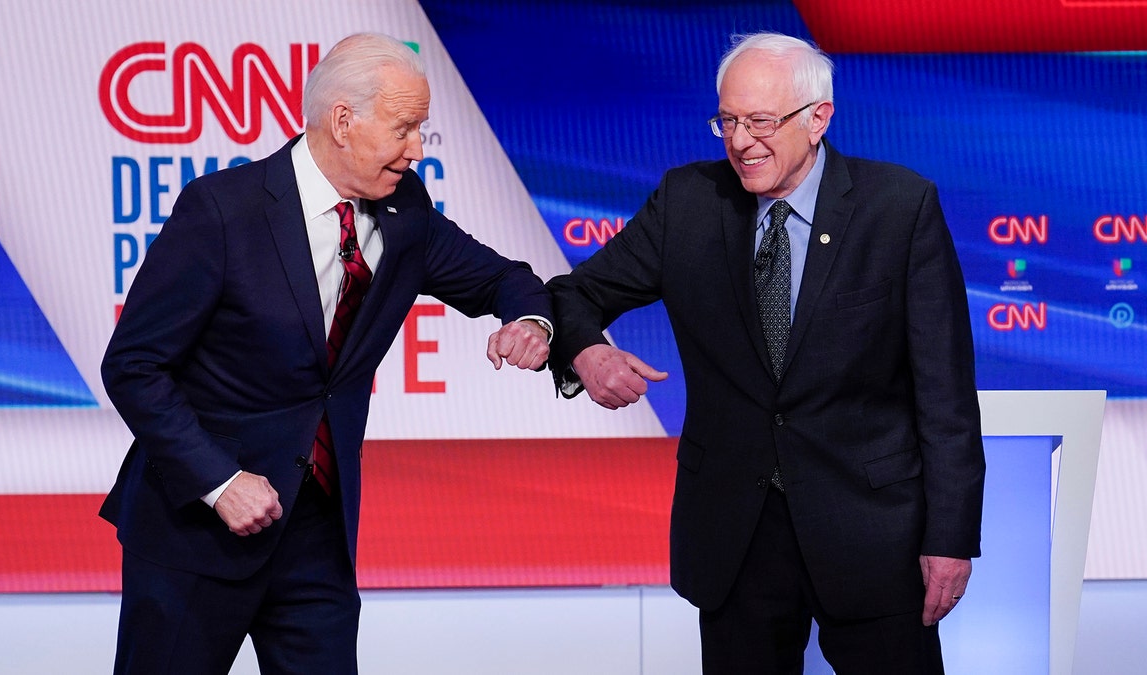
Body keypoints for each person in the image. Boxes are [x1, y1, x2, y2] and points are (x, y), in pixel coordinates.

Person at [100, 32, 552, 675]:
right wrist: (219, 482)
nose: (417, 150)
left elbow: (501, 278)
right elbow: (134, 365)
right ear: (343, 121)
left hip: (315, 534)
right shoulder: (224, 210)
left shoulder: (405, 211)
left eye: (422, 130)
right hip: (196, 531)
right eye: (405, 129)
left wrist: (529, 320)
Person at [547, 32, 984, 674]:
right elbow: (572, 293)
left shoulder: (899, 206)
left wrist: (950, 537)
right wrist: (587, 350)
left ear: (818, 119)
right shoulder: (688, 202)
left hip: (870, 533)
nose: (739, 141)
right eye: (726, 121)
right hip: (735, 535)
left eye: (760, 122)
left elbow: (945, 392)